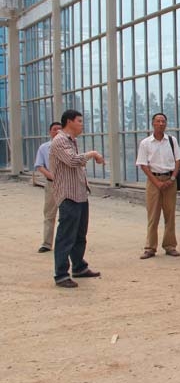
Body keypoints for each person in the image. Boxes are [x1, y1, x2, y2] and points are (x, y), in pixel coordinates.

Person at [50, 109, 104, 288]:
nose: (82, 124)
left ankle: (79, 266)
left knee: (80, 234)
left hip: (80, 194)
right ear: (69, 122)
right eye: (79, 121)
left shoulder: (72, 141)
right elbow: (72, 161)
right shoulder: (59, 140)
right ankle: (61, 274)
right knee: (66, 236)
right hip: (68, 196)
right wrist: (92, 154)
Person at [136, 113, 180, 260]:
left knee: (170, 215)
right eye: (158, 121)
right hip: (153, 180)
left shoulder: (172, 140)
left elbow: (178, 160)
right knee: (153, 215)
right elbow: (143, 164)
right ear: (153, 123)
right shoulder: (145, 143)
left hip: (170, 180)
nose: (161, 123)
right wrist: (156, 182)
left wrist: (172, 178)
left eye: (163, 121)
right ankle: (150, 248)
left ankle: (170, 246)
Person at [34, 121, 62, 253]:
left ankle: (66, 243)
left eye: (60, 129)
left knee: (67, 215)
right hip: (51, 184)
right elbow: (39, 165)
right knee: (49, 214)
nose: (57, 132)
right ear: (50, 132)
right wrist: (51, 176)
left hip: (67, 184)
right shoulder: (44, 148)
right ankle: (46, 243)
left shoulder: (69, 146)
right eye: (54, 129)